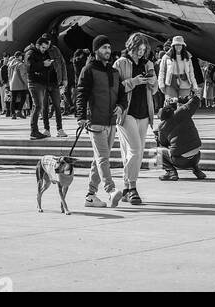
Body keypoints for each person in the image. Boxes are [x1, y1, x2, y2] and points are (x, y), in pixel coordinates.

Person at [76, 35, 126, 207]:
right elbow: (81, 94)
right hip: (95, 121)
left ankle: (90, 196)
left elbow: (122, 94)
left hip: (111, 122)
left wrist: (120, 106)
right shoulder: (88, 70)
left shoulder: (114, 72)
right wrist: (81, 116)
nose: (107, 51)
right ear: (96, 50)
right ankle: (111, 190)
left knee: (98, 159)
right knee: (103, 158)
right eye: (103, 47)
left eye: (109, 47)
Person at [114, 32, 158, 204]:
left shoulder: (148, 64)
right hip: (126, 112)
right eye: (138, 49)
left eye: (143, 49)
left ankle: (126, 187)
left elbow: (154, 91)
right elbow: (115, 89)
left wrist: (152, 82)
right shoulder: (120, 63)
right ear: (131, 46)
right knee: (136, 150)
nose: (141, 52)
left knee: (132, 154)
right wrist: (134, 82)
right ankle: (132, 187)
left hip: (144, 113)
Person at [157, 94, 206, 180]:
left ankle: (171, 172)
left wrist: (157, 136)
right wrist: (179, 100)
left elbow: (163, 143)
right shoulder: (183, 111)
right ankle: (197, 170)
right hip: (196, 156)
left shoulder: (162, 126)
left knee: (159, 151)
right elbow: (196, 99)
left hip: (180, 161)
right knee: (188, 145)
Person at [25, 33, 54, 141]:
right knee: (38, 106)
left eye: (46, 48)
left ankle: (35, 131)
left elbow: (46, 67)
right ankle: (34, 131)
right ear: (38, 45)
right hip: (34, 82)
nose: (44, 50)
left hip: (42, 82)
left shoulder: (43, 53)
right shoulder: (31, 53)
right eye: (43, 47)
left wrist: (48, 65)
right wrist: (43, 64)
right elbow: (29, 67)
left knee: (38, 106)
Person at [158, 36, 200, 105]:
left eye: (180, 45)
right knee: (170, 105)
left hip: (185, 83)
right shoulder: (166, 57)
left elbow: (191, 73)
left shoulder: (188, 57)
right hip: (170, 83)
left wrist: (195, 86)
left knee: (183, 106)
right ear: (173, 46)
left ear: (183, 46)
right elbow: (162, 72)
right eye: (176, 45)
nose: (178, 46)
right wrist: (161, 85)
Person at [41, 36, 67, 138]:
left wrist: (65, 79)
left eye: (48, 42)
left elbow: (62, 63)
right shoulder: (39, 51)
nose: (47, 44)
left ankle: (60, 129)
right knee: (45, 107)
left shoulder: (55, 50)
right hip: (43, 83)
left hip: (55, 82)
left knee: (57, 106)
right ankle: (46, 129)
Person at [6, 51, 29, 117]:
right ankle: (19, 111)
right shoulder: (20, 64)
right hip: (20, 84)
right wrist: (27, 84)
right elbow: (23, 75)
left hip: (12, 84)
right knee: (23, 97)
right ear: (19, 56)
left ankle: (13, 114)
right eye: (22, 56)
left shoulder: (10, 64)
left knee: (13, 99)